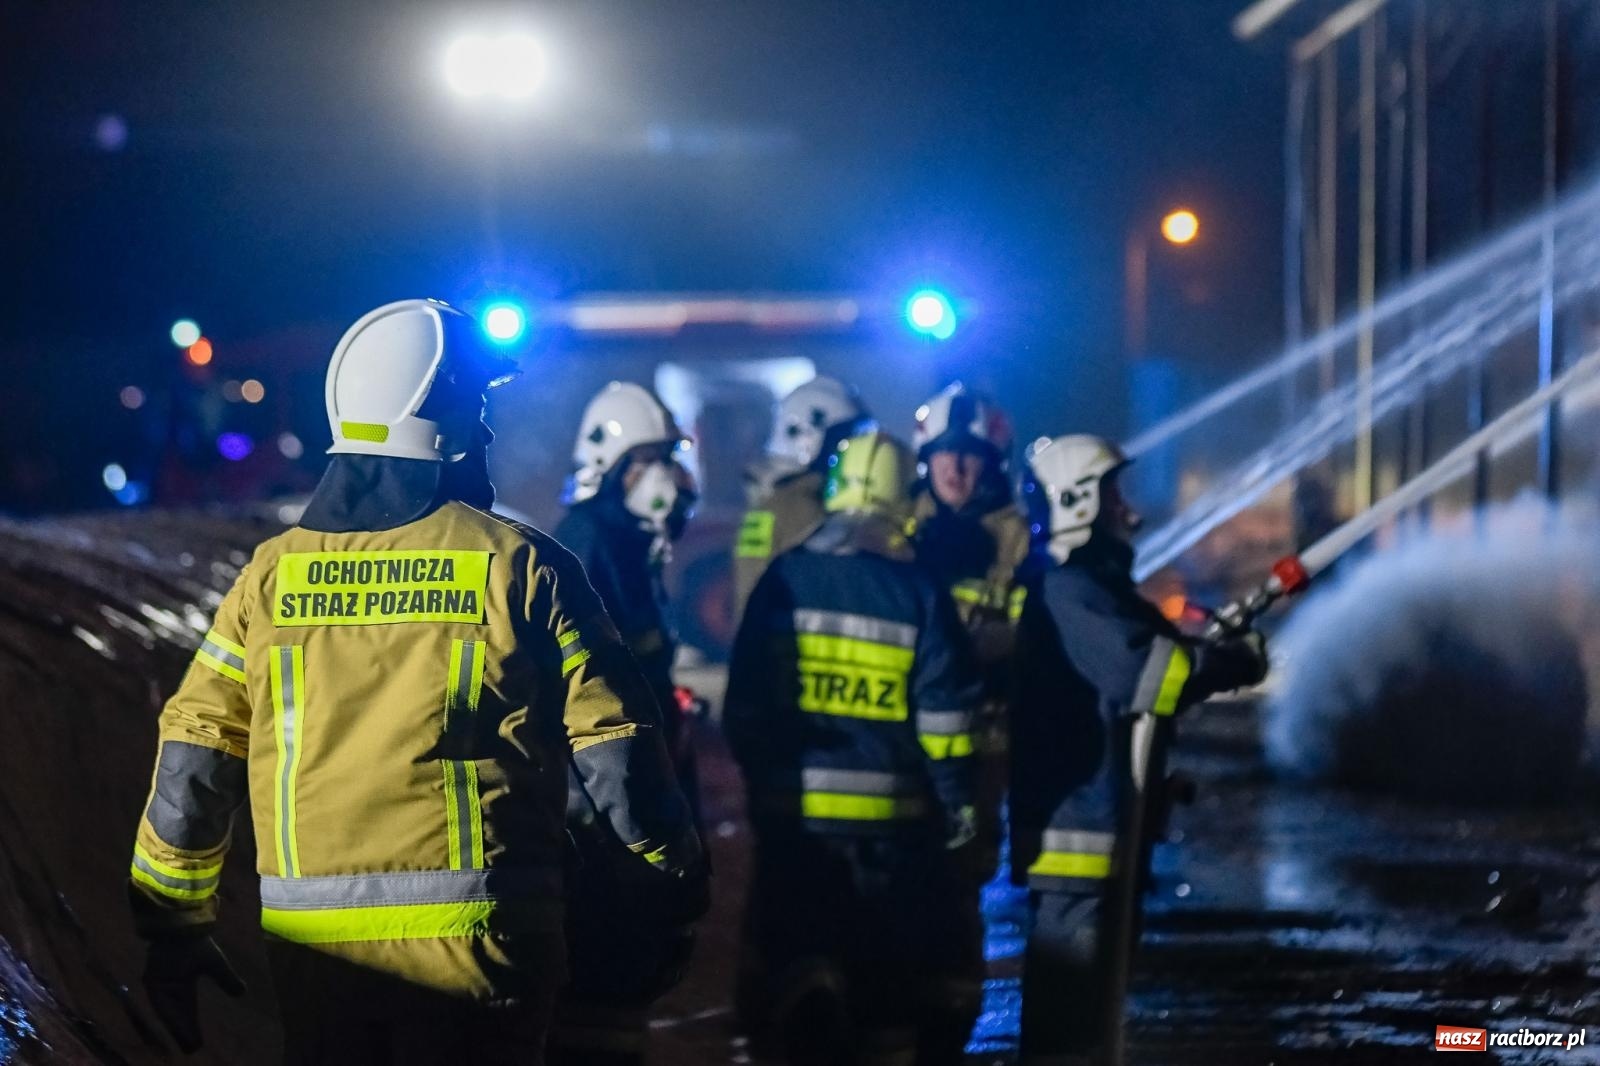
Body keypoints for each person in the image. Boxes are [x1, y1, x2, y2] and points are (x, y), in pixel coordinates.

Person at [128, 299, 705, 1065]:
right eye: (476, 405)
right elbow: (617, 742)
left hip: (316, 962)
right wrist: (672, 876)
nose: (490, 431)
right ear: (439, 421)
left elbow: (196, 751)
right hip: (485, 951)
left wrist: (173, 926)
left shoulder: (269, 580)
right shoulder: (521, 568)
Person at [726, 430, 985, 1066]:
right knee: (885, 1006)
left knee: (795, 984)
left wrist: (765, 787)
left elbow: (745, 706)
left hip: (796, 832)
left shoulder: (783, 577)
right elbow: (948, 721)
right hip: (892, 841)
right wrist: (960, 808)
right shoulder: (919, 589)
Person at [1010, 434, 1269, 1065]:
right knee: (1071, 1029)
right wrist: (1226, 663)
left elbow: (1157, 655)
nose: (1129, 508)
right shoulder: (1072, 592)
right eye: (1113, 492)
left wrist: (1214, 648)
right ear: (1077, 501)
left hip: (1102, 835)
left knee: (1091, 1021)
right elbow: (1152, 676)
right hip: (1080, 843)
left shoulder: (1094, 589)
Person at [550, 382, 703, 1064]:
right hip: (598, 801)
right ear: (611, 463)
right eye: (649, 460)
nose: (664, 476)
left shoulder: (627, 541)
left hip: (629, 778)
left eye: (668, 458)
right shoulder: (588, 540)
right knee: (605, 967)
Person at [911, 383, 1033, 859]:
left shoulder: (1015, 537)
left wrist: (984, 641)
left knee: (966, 863)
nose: (953, 468)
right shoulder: (904, 525)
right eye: (942, 455)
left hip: (983, 729)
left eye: (968, 455)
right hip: (906, 731)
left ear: (992, 461)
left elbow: (1032, 635)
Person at [733, 375, 874, 625]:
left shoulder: (771, 501)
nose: (854, 449)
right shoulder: (804, 505)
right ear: (807, 437)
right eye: (844, 439)